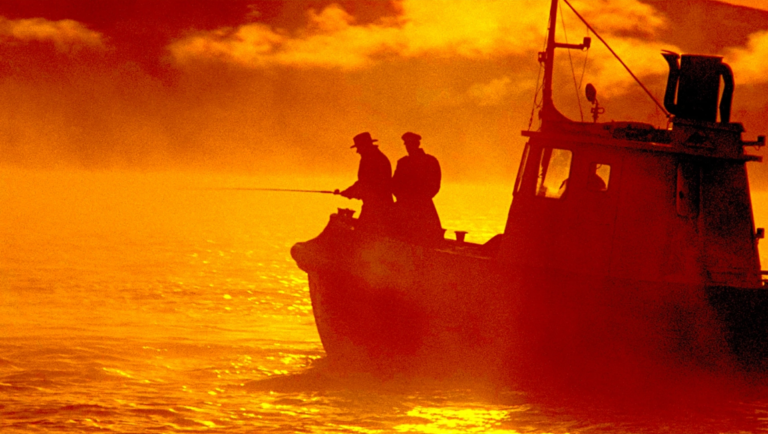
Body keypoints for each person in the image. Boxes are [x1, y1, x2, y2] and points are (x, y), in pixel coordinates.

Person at [335, 132, 393, 233]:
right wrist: (349, 192)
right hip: (377, 205)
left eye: (359, 147)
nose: (357, 151)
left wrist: (349, 192)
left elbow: (366, 183)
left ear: (365, 146)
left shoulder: (372, 160)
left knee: (366, 233)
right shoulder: (376, 157)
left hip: (376, 207)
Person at [392, 132, 442, 242]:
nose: (408, 147)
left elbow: (434, 185)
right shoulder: (403, 162)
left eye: (410, 143)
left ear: (417, 144)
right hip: (409, 206)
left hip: (421, 207)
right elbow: (394, 184)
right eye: (406, 144)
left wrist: (417, 199)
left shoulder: (429, 161)